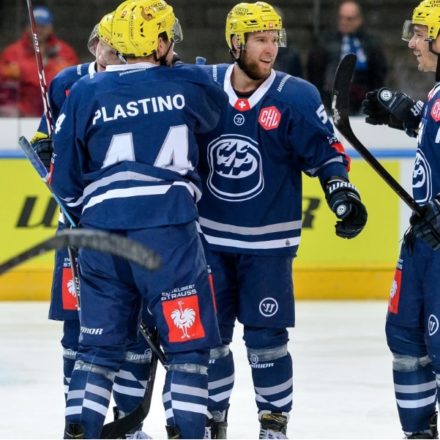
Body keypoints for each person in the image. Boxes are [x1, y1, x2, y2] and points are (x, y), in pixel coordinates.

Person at [50, 0, 226, 438]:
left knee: (96, 352)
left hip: (101, 236)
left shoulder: (84, 91)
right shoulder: (189, 82)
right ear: (160, 42)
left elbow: (65, 184)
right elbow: (214, 116)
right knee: (187, 351)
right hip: (168, 236)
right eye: (169, 37)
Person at [195, 2, 367, 438]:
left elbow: (325, 154)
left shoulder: (296, 96)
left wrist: (340, 191)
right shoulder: (203, 86)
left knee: (267, 341)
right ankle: (213, 417)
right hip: (208, 242)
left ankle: (273, 422)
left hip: (268, 246)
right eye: (260, 40)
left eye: (274, 39)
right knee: (209, 340)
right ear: (235, 42)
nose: (270, 49)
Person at [30, 12, 154, 439]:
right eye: (107, 43)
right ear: (94, 44)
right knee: (76, 330)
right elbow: (46, 138)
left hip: (129, 227)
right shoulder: (67, 82)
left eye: (121, 44)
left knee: (136, 330)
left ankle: (129, 424)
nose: (114, 51)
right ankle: (78, 422)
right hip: (78, 228)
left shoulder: (145, 83)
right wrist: (46, 151)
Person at [362, 0, 440, 438]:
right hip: (423, 241)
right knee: (405, 336)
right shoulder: (438, 93)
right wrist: (409, 113)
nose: (412, 42)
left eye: (421, 33)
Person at [306, 0, 387, 114]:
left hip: (363, 101)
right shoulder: (325, 42)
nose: (343, 22)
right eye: (341, 18)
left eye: (349, 19)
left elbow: (378, 74)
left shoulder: (371, 44)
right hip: (330, 100)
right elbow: (314, 73)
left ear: (359, 20)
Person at [0, 5, 78, 117]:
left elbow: (74, 82)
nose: (39, 30)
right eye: (35, 25)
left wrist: (23, 71)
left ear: (51, 27)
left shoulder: (65, 51)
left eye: (43, 26)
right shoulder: (12, 52)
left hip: (57, 113)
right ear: (27, 27)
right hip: (20, 116)